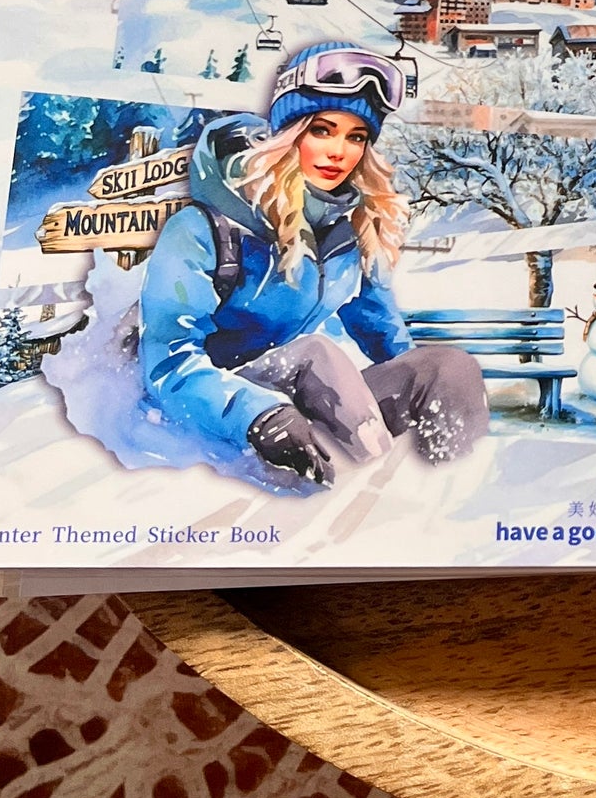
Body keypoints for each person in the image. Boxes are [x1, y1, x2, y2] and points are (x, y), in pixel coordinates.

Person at [139, 41, 488, 488]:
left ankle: (450, 490)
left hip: (303, 403)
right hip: (217, 407)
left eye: (356, 137)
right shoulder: (201, 229)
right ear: (290, 133)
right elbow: (168, 364)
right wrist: (259, 415)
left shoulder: (351, 230)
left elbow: (387, 339)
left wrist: (423, 389)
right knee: (316, 357)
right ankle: (372, 498)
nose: (339, 151)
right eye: (322, 130)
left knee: (448, 369)